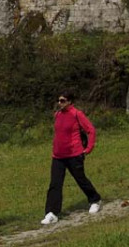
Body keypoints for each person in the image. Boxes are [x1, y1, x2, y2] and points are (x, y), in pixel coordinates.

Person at [41, 90, 102, 225]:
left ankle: (95, 200)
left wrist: (88, 148)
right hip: (58, 156)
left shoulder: (76, 114)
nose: (59, 103)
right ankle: (51, 212)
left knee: (80, 179)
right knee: (55, 184)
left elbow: (90, 130)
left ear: (69, 101)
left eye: (62, 101)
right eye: (58, 100)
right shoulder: (57, 115)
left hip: (74, 155)